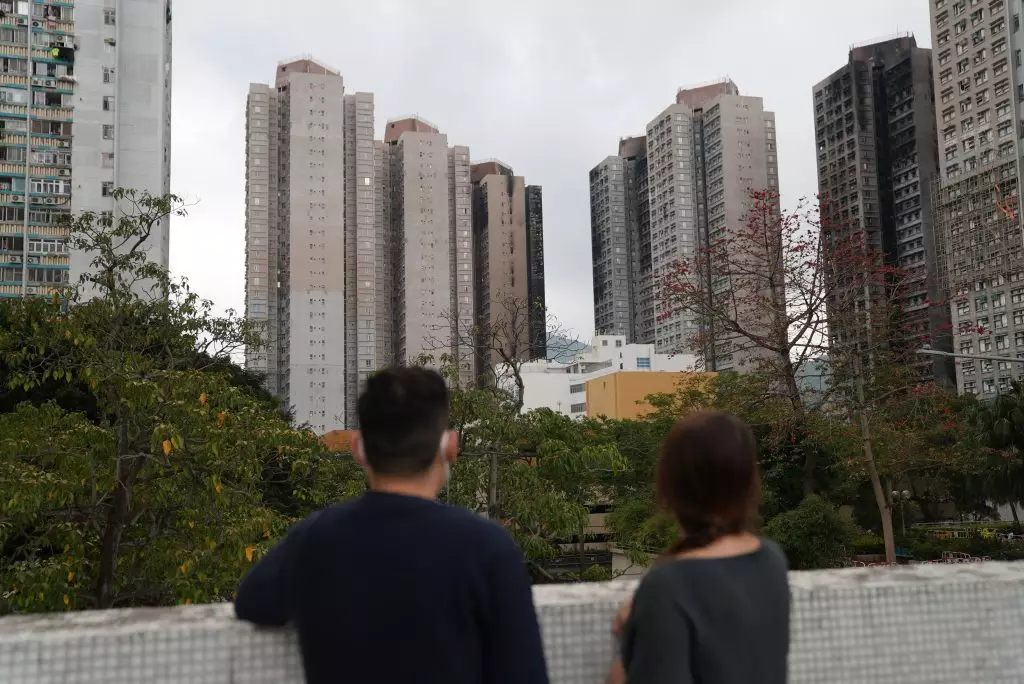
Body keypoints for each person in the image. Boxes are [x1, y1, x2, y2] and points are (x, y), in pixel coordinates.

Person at [235, 367, 549, 684]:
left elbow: (252, 603)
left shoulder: (313, 537)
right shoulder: (488, 546)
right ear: (450, 446)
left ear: (359, 449)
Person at [607, 411, 790, 684]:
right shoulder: (772, 560)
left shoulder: (668, 586)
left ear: (669, 488)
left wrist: (631, 647)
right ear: (749, 483)